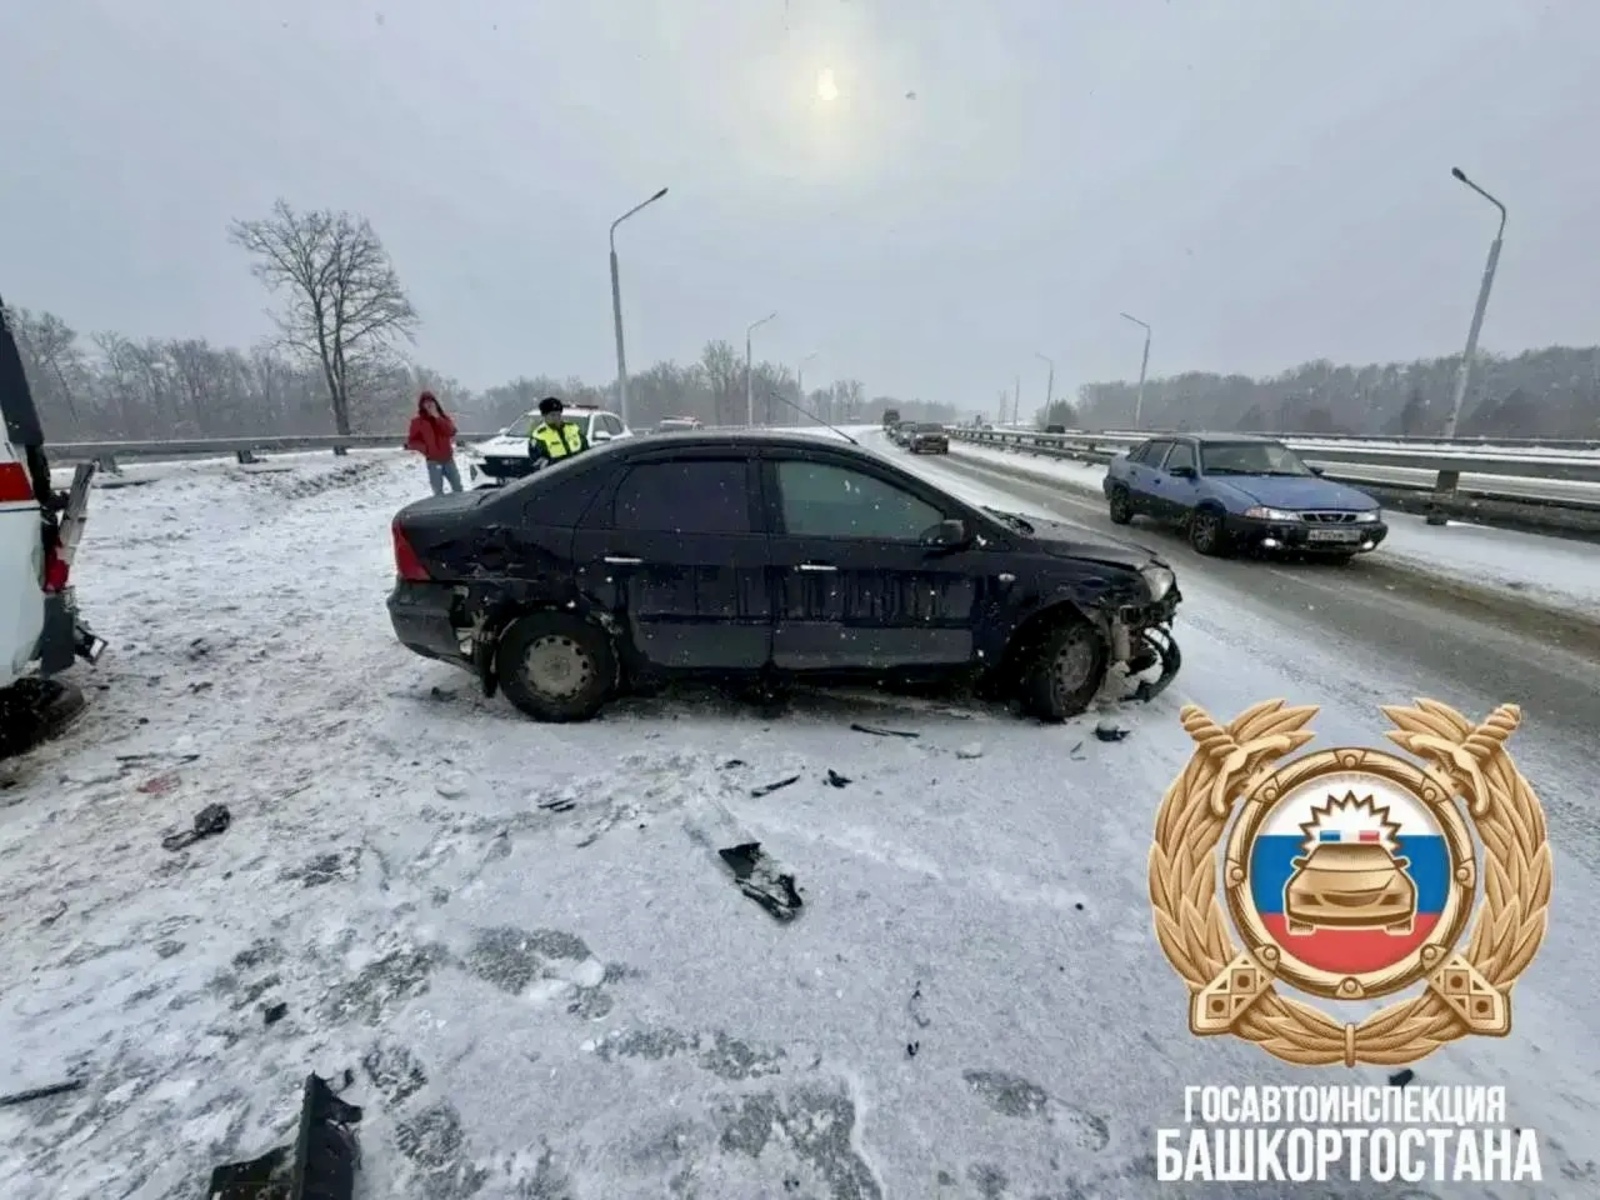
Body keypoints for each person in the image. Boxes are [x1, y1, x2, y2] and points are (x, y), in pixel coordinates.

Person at [406, 391, 463, 495]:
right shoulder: (417, 422)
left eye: (431, 402)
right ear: (422, 405)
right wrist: (426, 449)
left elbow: (451, 432)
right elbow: (412, 441)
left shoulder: (444, 418)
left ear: (436, 403)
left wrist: (437, 417)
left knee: (458, 487)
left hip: (448, 460)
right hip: (433, 462)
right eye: (426, 402)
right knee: (438, 492)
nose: (429, 405)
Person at [528, 396, 589, 468]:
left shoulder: (573, 428)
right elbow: (539, 462)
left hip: (580, 471)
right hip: (557, 476)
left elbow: (586, 451)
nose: (556, 418)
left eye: (559, 414)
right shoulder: (538, 436)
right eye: (553, 415)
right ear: (544, 416)